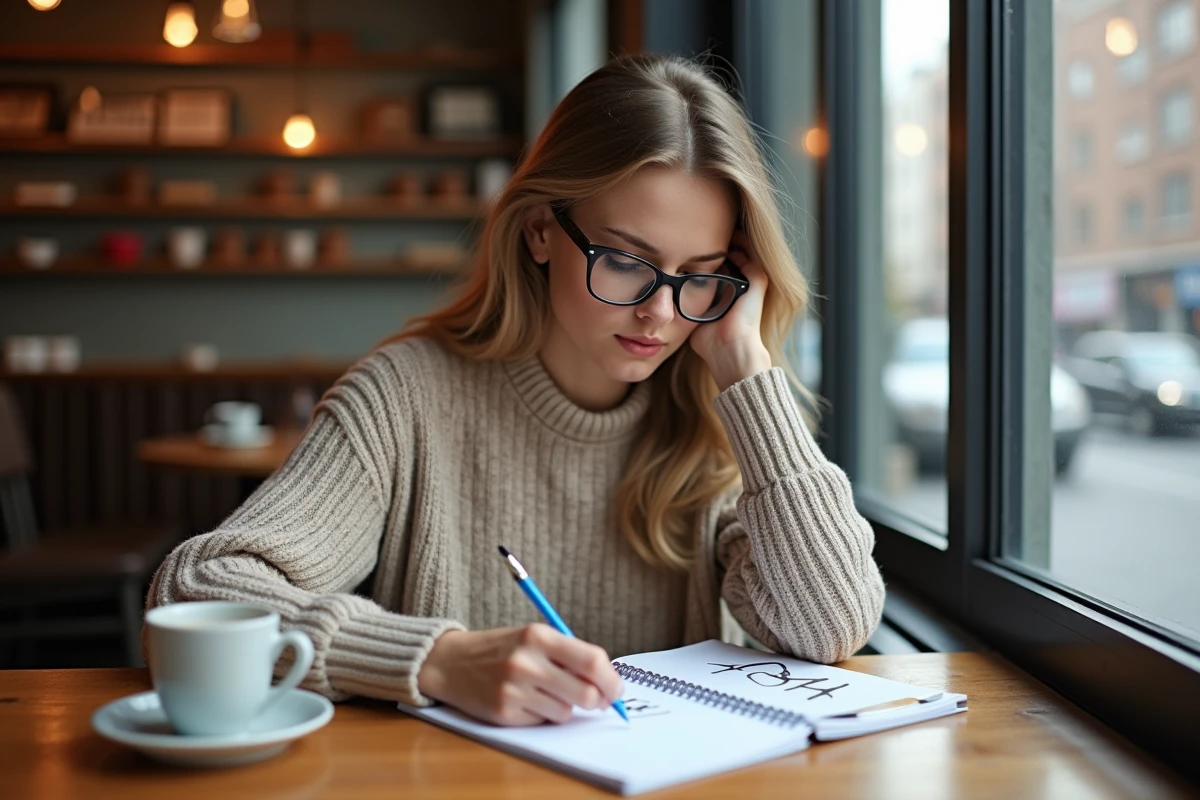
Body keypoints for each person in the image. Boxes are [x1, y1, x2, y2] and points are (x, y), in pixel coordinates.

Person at [146, 53, 885, 727]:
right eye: (627, 262)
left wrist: (747, 367)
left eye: (698, 274)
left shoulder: (718, 416)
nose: (661, 313)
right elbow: (198, 590)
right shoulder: (407, 396)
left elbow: (834, 624)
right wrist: (434, 660)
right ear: (539, 231)